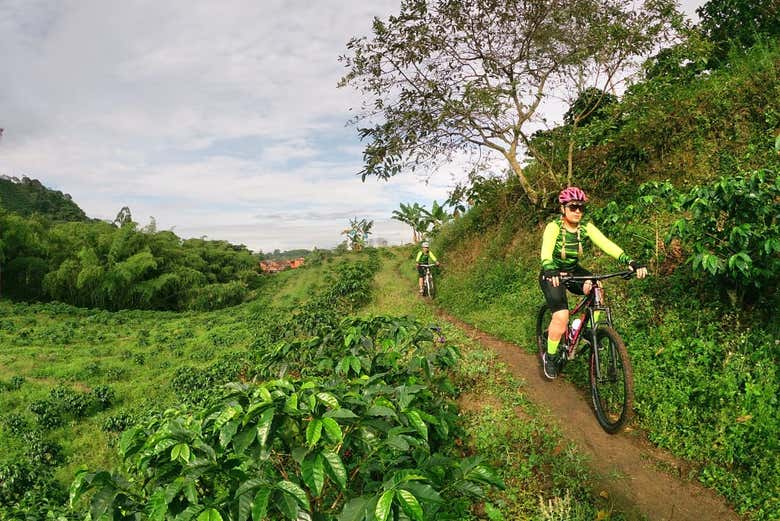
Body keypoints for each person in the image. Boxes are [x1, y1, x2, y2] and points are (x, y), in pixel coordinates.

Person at [539, 187, 648, 379]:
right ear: (563, 208)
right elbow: (546, 251)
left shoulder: (585, 228)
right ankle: (550, 355)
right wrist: (549, 268)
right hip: (553, 274)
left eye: (581, 208)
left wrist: (630, 261)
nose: (578, 211)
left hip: (573, 272)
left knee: (597, 286)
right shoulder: (554, 227)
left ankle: (591, 331)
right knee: (561, 316)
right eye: (573, 207)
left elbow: (606, 244)